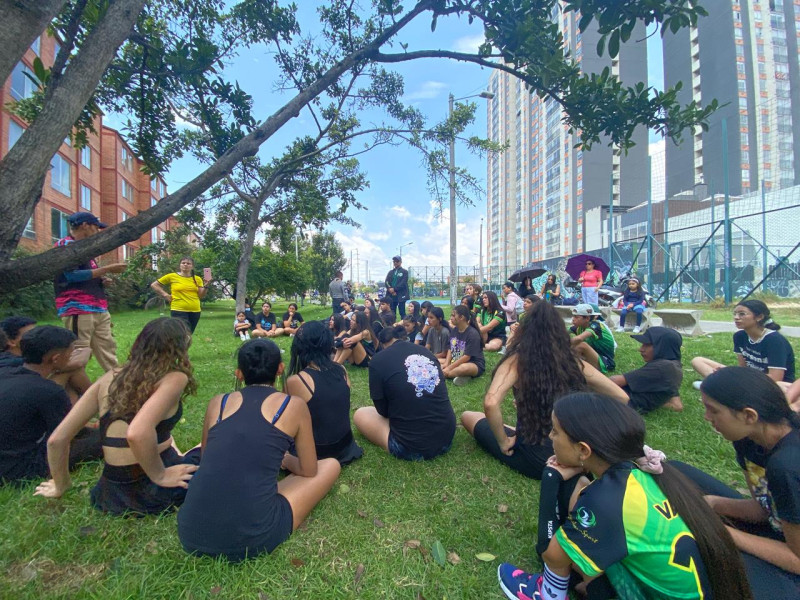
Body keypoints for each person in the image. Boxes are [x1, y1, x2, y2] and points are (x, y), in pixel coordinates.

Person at [497, 392, 752, 600]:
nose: (550, 437)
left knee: (579, 565)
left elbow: (553, 555)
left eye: (555, 431)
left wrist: (552, 478)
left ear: (584, 450)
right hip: (706, 587)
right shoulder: (648, 472)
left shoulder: (606, 501)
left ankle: (548, 594)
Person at [177, 339, 341, 561]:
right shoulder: (294, 405)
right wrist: (285, 459)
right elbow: (309, 469)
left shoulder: (218, 403)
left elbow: (206, 459)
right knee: (331, 465)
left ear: (239, 374)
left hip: (190, 531)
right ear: (280, 369)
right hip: (255, 536)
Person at [34, 318, 201, 516]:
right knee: (213, 444)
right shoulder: (174, 377)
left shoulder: (110, 376)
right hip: (151, 493)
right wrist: (161, 475)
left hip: (110, 494)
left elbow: (57, 440)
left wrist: (60, 485)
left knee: (168, 439)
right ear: (181, 347)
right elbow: (137, 433)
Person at [461, 301, 628, 480]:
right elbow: (622, 397)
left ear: (525, 330)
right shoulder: (573, 361)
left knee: (468, 416)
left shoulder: (517, 361)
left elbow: (491, 403)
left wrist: (504, 442)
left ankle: (518, 439)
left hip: (539, 457)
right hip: (575, 453)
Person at [670, 367, 800, 597]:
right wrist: (713, 504)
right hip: (781, 528)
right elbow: (763, 509)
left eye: (713, 410)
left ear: (749, 416)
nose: (706, 417)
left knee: (705, 557)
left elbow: (797, 559)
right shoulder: (748, 439)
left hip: (793, 558)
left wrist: (720, 531)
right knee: (675, 472)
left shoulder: (787, 465)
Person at [1, 326, 101, 484]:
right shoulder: (50, 391)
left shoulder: (7, 374)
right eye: (70, 353)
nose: (72, 357)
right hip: (20, 468)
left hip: (8, 454)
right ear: (56, 358)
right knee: (104, 437)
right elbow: (62, 437)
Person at [354, 325, 456, 461]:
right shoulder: (426, 352)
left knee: (361, 413)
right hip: (446, 437)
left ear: (382, 344)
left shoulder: (377, 361)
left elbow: (382, 411)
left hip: (410, 447)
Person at [54, 211, 127, 372]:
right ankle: (73, 386)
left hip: (98, 307)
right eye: (96, 227)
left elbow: (87, 274)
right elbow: (71, 275)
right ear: (85, 225)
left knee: (108, 349)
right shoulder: (66, 246)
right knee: (78, 352)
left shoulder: (86, 249)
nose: (97, 231)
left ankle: (119, 382)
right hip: (78, 307)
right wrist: (107, 269)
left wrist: (101, 280)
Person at [285, 321, 363, 465]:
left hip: (317, 452)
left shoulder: (297, 381)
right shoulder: (341, 370)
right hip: (346, 445)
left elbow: (288, 421)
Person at [692, 299, 795, 385]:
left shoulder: (774, 340)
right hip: (749, 378)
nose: (736, 318)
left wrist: (741, 378)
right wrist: (730, 373)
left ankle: (718, 384)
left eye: (742, 314)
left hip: (773, 384)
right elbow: (743, 367)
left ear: (759, 317)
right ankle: (720, 383)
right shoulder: (739, 336)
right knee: (698, 361)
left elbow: (776, 378)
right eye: (735, 314)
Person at [1, 315, 91, 402]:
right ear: (11, 342)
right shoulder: (12, 362)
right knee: (70, 371)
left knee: (69, 383)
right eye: (29, 333)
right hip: (27, 396)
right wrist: (85, 351)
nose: (35, 335)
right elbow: (77, 362)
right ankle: (94, 400)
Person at [609, 327, 684, 413]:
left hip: (615, 401)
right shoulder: (675, 368)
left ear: (662, 346)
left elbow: (615, 381)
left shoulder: (662, 367)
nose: (641, 349)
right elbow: (677, 405)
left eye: (647, 345)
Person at [151, 256, 211, 334]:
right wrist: (165, 295)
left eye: (188, 263)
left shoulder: (197, 279)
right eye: (183, 263)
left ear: (192, 266)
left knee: (189, 334)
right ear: (180, 265)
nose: (185, 265)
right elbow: (154, 285)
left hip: (195, 310)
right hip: (178, 309)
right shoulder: (172, 276)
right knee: (181, 333)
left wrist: (206, 286)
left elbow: (201, 295)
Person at [442, 304, 485, 386]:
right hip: (456, 360)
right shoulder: (455, 330)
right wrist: (446, 363)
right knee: (437, 361)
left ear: (461, 317)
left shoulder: (472, 334)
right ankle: (462, 375)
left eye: (453, 315)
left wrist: (449, 368)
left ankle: (443, 374)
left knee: (463, 368)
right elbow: (450, 348)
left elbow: (467, 357)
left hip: (473, 363)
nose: (451, 318)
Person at [569, 304, 616, 373]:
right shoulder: (580, 327)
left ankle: (571, 369)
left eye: (576, 317)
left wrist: (561, 343)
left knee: (581, 345)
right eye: (573, 316)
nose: (573, 319)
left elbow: (579, 338)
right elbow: (561, 332)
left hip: (606, 362)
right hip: (593, 357)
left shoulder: (595, 326)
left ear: (587, 318)